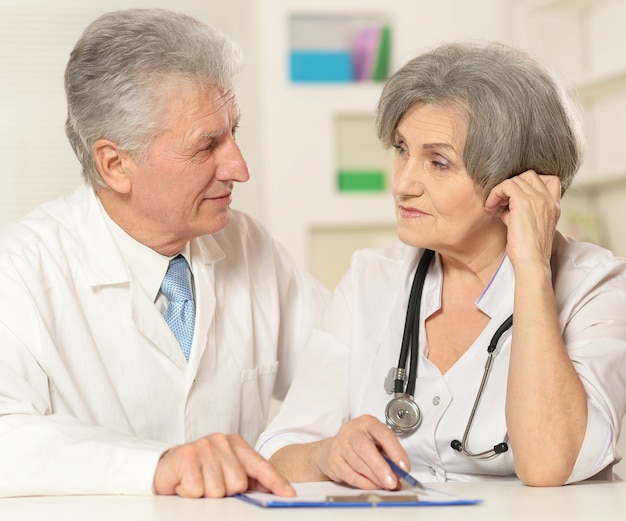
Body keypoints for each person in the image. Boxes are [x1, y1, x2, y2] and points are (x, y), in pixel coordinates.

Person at [256, 41, 626, 488]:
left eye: (438, 162)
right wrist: (327, 454)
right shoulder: (372, 278)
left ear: (518, 179)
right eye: (401, 150)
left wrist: (531, 267)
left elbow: (550, 465)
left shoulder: (596, 287)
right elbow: (277, 454)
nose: (403, 184)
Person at [0, 8, 329, 498]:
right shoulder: (21, 271)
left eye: (233, 132)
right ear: (115, 165)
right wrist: (159, 465)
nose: (239, 168)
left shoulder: (249, 244)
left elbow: (346, 372)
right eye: (206, 146)